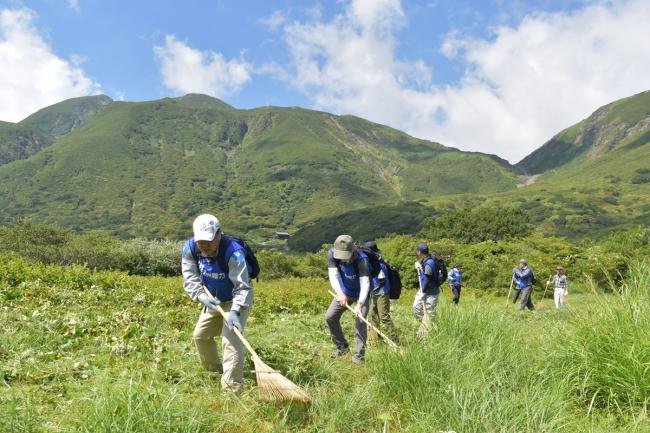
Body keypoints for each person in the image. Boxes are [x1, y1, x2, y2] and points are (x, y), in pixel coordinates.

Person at [181, 214, 254, 392]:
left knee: (230, 342)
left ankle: (232, 390)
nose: (205, 245)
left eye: (209, 240)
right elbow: (189, 275)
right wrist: (200, 295)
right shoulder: (190, 247)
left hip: (236, 300)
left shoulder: (233, 253)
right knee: (201, 336)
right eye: (201, 241)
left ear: (219, 234)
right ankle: (214, 371)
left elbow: (243, 287)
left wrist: (235, 311)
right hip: (213, 300)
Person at [325, 234, 370, 364]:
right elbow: (333, 275)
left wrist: (360, 304)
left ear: (352, 251)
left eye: (345, 256)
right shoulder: (332, 254)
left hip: (362, 293)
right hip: (345, 291)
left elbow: (365, 283)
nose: (343, 259)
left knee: (360, 321)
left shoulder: (363, 260)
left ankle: (359, 357)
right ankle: (342, 347)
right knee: (330, 316)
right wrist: (339, 293)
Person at [364, 241, 398, 344]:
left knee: (384, 317)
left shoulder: (378, 263)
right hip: (374, 293)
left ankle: (394, 340)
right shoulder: (372, 261)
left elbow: (382, 280)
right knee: (373, 316)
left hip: (381, 294)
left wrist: (370, 289)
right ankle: (376, 338)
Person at [413, 243, 440, 326]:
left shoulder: (429, 263)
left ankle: (433, 327)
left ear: (419, 252)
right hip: (425, 289)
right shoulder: (425, 260)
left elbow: (428, 278)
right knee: (416, 307)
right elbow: (425, 275)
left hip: (431, 292)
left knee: (430, 312)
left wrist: (422, 291)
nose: (416, 252)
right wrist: (420, 268)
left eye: (417, 251)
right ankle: (424, 325)